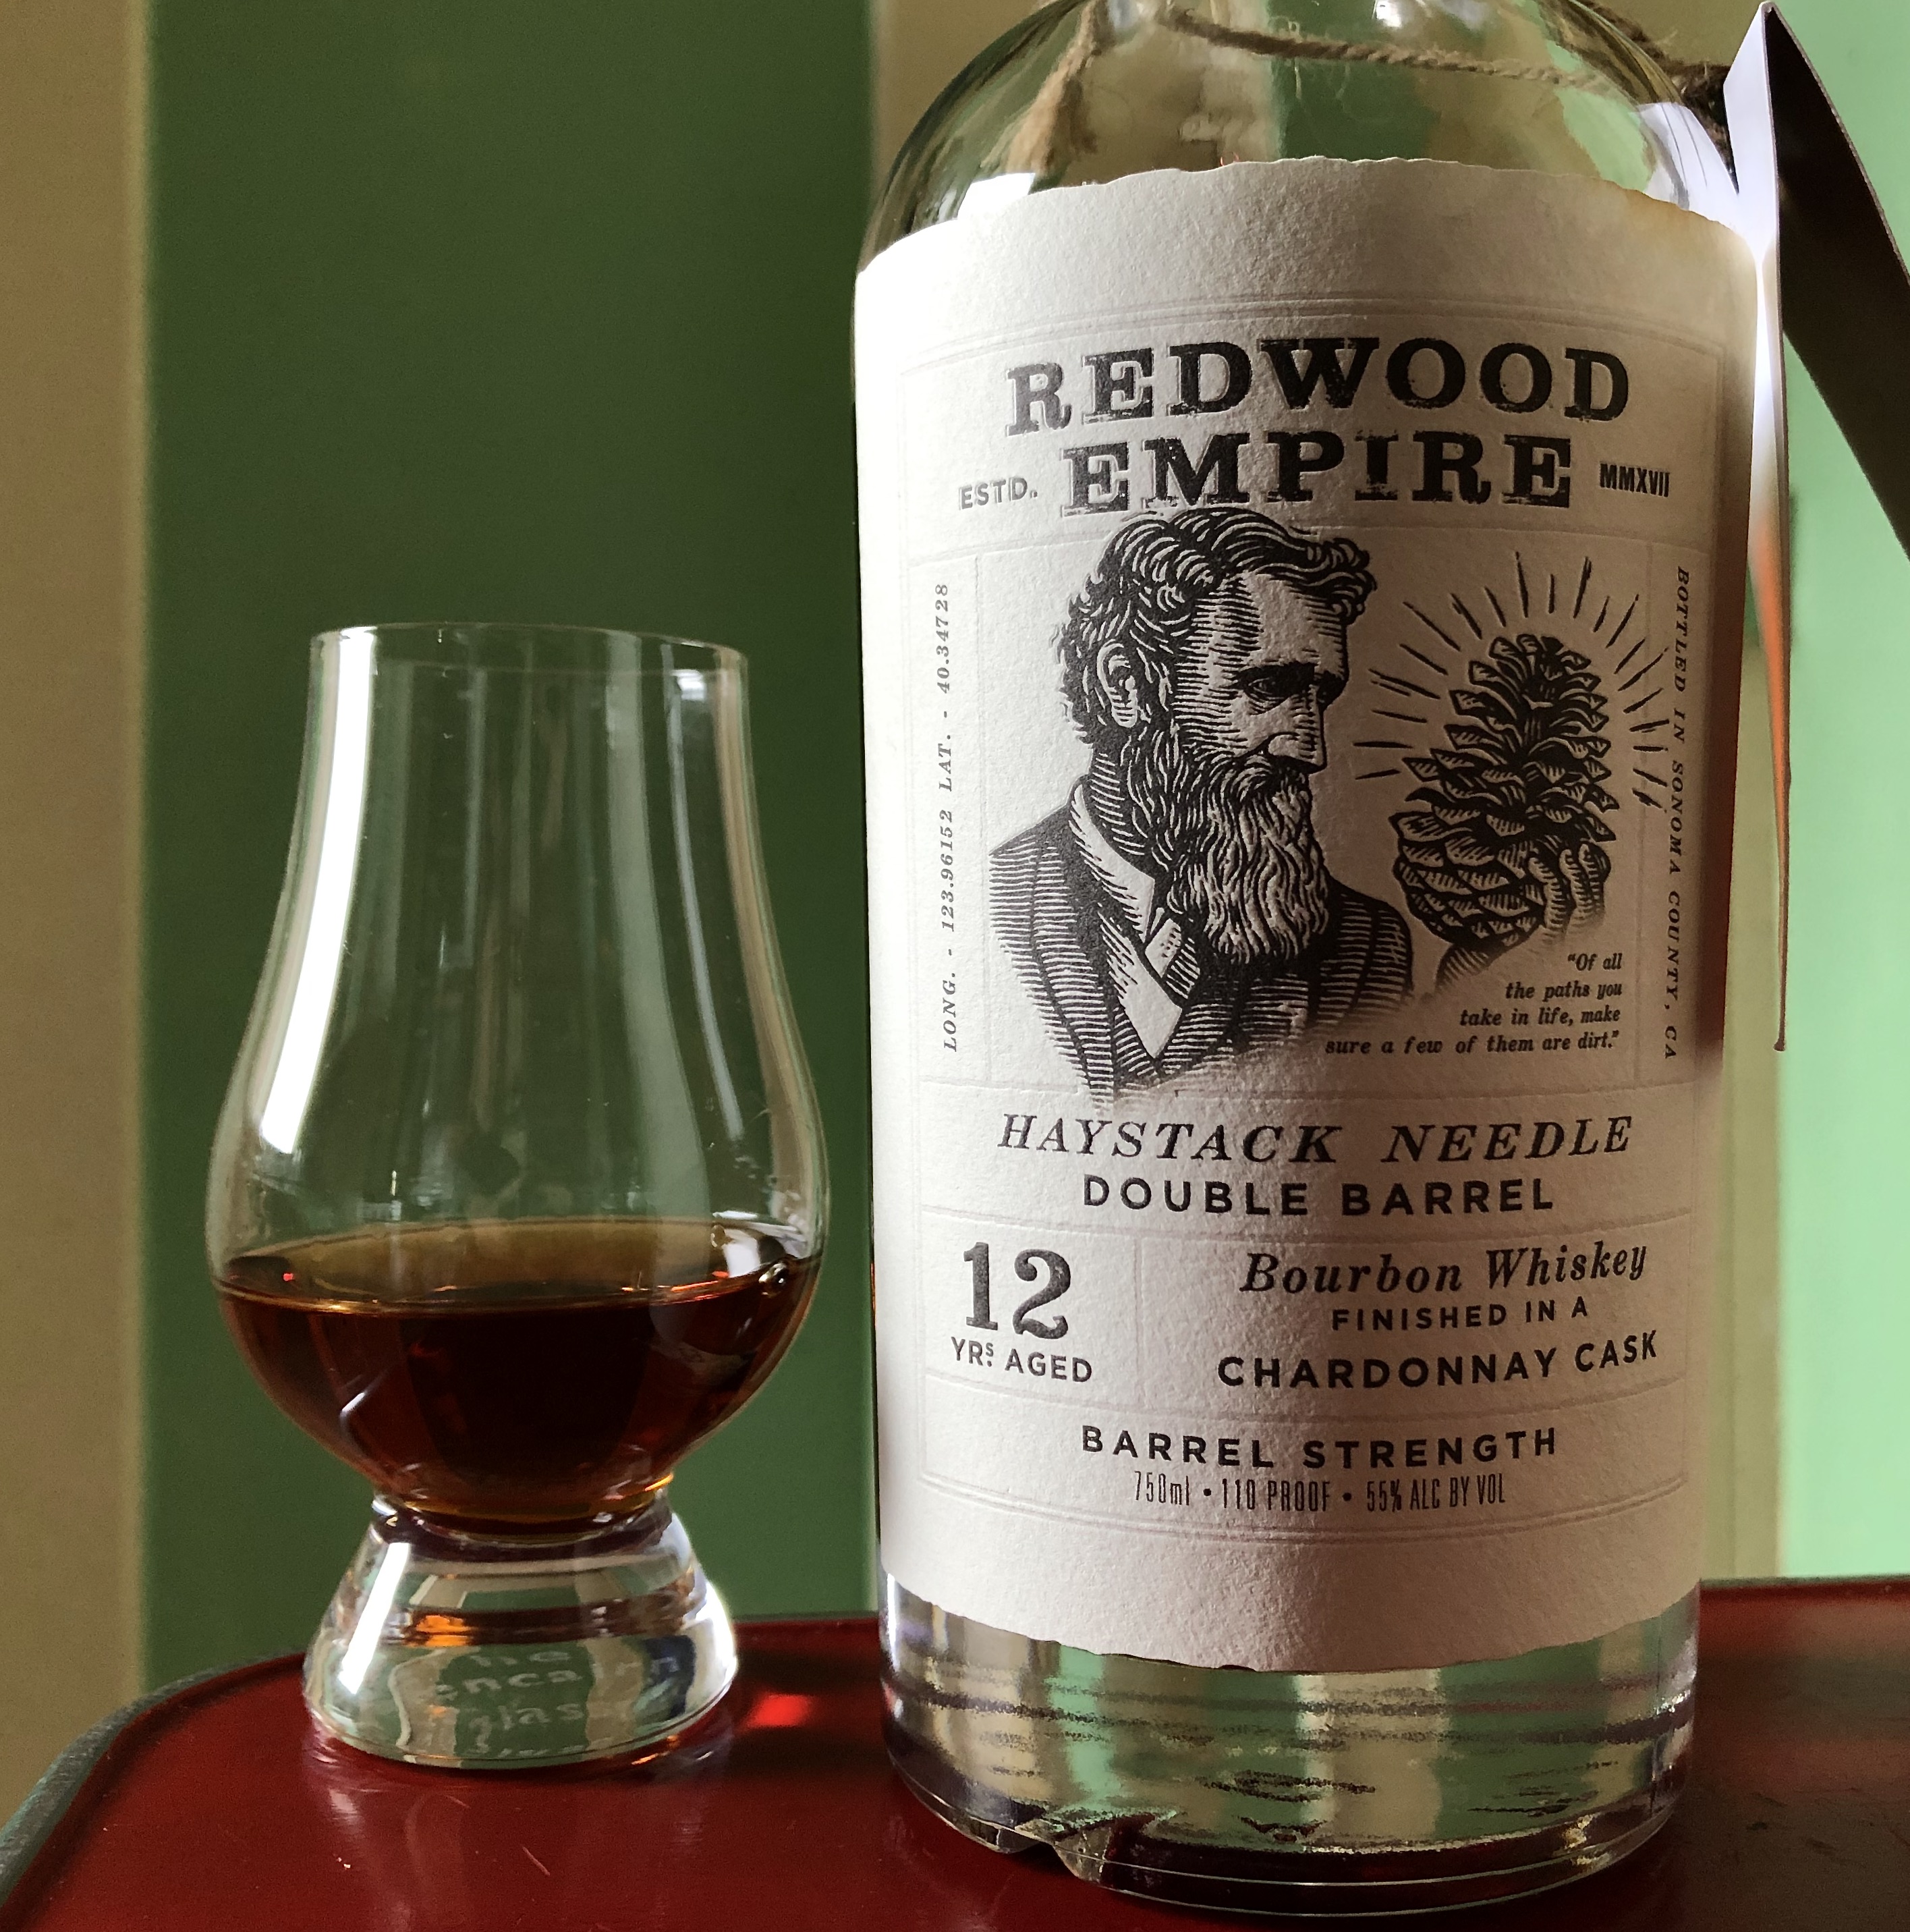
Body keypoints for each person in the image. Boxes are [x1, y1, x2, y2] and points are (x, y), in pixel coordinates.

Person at [991, 505, 1411, 1099]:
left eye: (1322, 698)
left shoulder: (1364, 948)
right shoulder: (998, 898)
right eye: (1267, 687)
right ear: (1125, 685)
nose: (1309, 748)